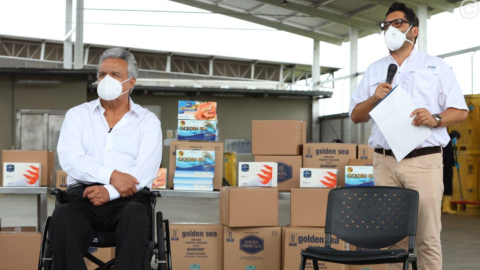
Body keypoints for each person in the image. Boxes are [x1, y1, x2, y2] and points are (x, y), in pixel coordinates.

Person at [349, 2, 468, 270]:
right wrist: (373, 98)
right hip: (385, 163)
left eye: (397, 23)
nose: (390, 29)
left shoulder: (436, 67)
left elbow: (460, 111)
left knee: (426, 238)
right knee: (392, 240)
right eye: (386, 25)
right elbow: (356, 115)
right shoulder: (374, 69)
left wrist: (435, 118)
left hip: (423, 162)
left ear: (414, 30)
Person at [50, 48, 163, 270]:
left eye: (115, 75)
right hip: (84, 196)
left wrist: (109, 190)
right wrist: (110, 176)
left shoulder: (148, 122)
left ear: (130, 83)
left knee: (137, 218)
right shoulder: (77, 115)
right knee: (62, 218)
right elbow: (70, 159)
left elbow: (144, 172)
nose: (106, 80)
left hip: (129, 199)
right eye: (102, 74)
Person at [442, 130, 461, 214]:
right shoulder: (447, 143)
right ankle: (446, 207)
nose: (456, 141)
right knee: (447, 186)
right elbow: (447, 156)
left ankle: (446, 206)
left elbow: (450, 156)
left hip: (446, 167)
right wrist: (452, 162)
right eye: (457, 139)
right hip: (446, 168)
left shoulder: (449, 143)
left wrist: (454, 163)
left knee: (446, 186)